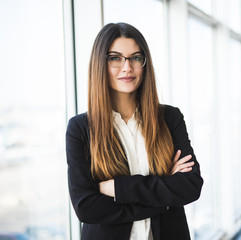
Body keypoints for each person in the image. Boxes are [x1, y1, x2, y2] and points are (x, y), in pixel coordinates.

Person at [65, 22, 203, 240]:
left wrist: (118, 188)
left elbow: (190, 186)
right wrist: (164, 195)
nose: (127, 67)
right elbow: (87, 207)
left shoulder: (170, 118)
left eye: (135, 58)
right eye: (115, 58)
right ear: (100, 64)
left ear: (144, 64)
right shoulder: (80, 128)